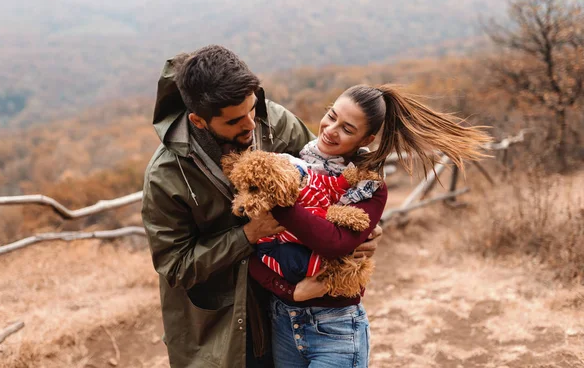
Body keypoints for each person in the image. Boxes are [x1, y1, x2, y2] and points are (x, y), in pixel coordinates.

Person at [141, 45, 382, 368]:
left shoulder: (276, 122)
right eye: (235, 121)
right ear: (199, 121)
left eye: (253, 109)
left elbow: (330, 178)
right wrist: (248, 235)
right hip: (219, 322)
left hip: (286, 310)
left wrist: (366, 228)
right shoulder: (166, 176)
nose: (252, 124)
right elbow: (176, 267)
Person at [248, 84, 492, 368]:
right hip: (283, 323)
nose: (330, 129)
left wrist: (276, 200)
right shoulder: (295, 164)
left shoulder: (368, 187)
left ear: (368, 138)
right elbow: (255, 253)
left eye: (347, 129)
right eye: (331, 115)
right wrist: (290, 292)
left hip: (335, 331)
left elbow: (334, 243)